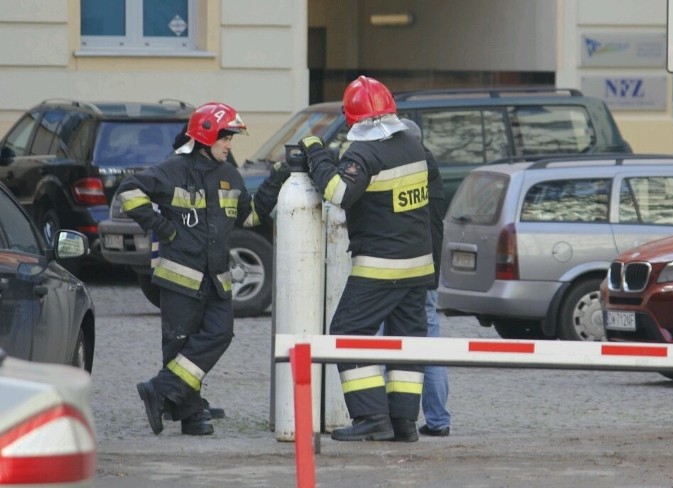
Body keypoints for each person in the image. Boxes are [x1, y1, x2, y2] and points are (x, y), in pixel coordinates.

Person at [117, 102, 290, 436]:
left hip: (217, 280)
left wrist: (275, 181)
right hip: (179, 278)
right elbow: (129, 192)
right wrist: (162, 227)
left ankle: (161, 389)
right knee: (179, 345)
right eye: (225, 138)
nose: (229, 144)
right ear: (206, 135)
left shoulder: (230, 175)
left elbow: (250, 216)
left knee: (219, 334)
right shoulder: (173, 169)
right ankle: (191, 413)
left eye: (230, 138)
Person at [299, 76, 432, 442]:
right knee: (407, 339)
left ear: (351, 117)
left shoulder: (364, 153)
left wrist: (315, 152)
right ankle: (404, 423)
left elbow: (338, 193)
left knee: (348, 332)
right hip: (419, 263)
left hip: (381, 265)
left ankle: (371, 416)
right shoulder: (412, 144)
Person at [398, 119, 451, 437]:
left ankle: (391, 417)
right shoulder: (430, 169)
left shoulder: (409, 171)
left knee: (386, 343)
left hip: (408, 273)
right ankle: (439, 420)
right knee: (431, 345)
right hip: (428, 271)